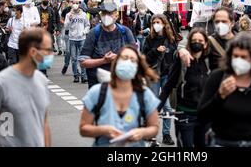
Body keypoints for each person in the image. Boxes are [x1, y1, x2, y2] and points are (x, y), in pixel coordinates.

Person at [198, 32, 251, 147]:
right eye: (235, 56)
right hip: (222, 142)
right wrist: (220, 96)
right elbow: (202, 116)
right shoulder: (218, 77)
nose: (238, 60)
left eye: (243, 57)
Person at [0, 28, 52, 147]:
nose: (51, 54)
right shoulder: (0, 83)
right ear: (33, 52)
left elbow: (44, 122)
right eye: (48, 50)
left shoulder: (42, 80)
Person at [79, 45, 160, 147]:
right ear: (116, 62)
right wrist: (103, 130)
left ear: (137, 67)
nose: (128, 63)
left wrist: (141, 133)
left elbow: (154, 128)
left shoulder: (145, 94)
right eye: (124, 58)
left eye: (133, 60)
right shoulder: (97, 92)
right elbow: (83, 128)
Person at [158, 28, 211, 147]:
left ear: (206, 43)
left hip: (205, 116)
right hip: (184, 115)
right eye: (194, 40)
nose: (197, 42)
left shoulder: (210, 62)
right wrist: (155, 109)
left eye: (200, 40)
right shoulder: (181, 61)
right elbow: (168, 86)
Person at [80, 0, 136, 88]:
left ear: (116, 15)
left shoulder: (125, 32)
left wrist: (118, 57)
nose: (106, 16)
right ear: (100, 15)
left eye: (110, 13)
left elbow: (135, 57)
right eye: (104, 13)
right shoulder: (94, 33)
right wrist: (103, 60)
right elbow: (83, 62)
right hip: (98, 86)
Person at [142, 14, 178, 146]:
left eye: (158, 22)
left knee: (167, 107)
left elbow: (175, 58)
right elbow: (144, 58)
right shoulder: (149, 39)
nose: (156, 25)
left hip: (167, 76)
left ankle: (166, 134)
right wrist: (156, 51)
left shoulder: (171, 39)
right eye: (154, 22)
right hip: (154, 75)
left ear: (164, 23)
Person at [180, 6, 235, 71]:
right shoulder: (210, 41)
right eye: (217, 22)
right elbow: (193, 53)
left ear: (232, 23)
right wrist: (182, 51)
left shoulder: (241, 41)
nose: (220, 24)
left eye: (224, 21)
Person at [64, 2, 90, 83]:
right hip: (72, 39)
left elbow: (87, 25)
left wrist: (84, 32)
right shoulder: (68, 15)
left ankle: (84, 76)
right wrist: (70, 19)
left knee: (82, 58)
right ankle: (75, 75)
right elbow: (66, 27)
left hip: (82, 38)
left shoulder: (84, 14)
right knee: (74, 59)